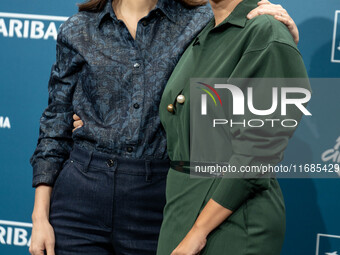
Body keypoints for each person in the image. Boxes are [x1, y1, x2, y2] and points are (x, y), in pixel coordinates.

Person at [29, 0, 300, 254]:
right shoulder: (78, 28)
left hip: (159, 195)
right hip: (81, 192)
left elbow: (249, 40)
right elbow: (56, 120)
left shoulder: (200, 21)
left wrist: (282, 28)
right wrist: (39, 216)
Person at [155, 0, 311, 254]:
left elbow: (257, 154)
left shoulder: (266, 31)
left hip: (232, 217)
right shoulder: (206, 30)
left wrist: (198, 232)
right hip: (180, 208)